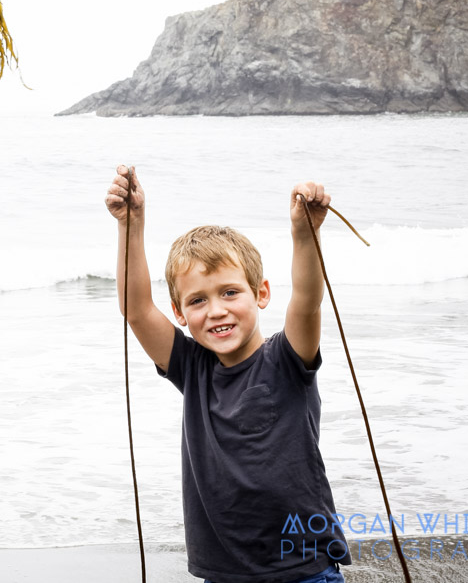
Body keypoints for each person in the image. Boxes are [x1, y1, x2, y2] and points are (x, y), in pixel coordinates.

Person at [105, 165, 352, 583]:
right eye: (197, 300)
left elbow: (307, 300)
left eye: (230, 292)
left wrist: (305, 234)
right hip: (223, 573)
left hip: (303, 570)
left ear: (261, 293)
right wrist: (131, 225)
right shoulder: (192, 368)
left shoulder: (287, 359)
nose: (216, 310)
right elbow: (137, 309)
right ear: (179, 312)